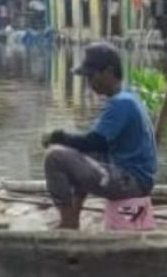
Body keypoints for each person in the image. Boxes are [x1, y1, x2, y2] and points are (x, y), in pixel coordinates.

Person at [41, 42, 157, 229]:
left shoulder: (121, 103)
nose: (89, 84)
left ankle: (68, 221)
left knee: (54, 157)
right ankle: (74, 215)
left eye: (91, 76)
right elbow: (95, 144)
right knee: (79, 154)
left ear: (108, 72)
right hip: (136, 178)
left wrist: (59, 137)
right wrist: (69, 142)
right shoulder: (126, 96)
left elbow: (96, 142)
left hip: (131, 181)